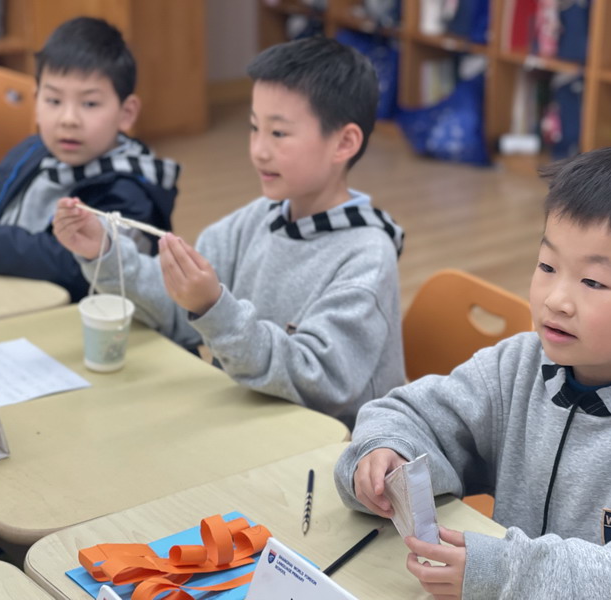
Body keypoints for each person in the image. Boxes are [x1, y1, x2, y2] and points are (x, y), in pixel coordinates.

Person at [334, 144, 611, 598]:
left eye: (593, 281)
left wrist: (508, 573)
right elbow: (409, 415)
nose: (556, 299)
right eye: (547, 266)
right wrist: (384, 452)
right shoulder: (518, 366)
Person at [52, 36, 405, 428]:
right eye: (254, 127)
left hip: (331, 448)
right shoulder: (255, 220)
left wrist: (213, 308)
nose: (258, 150)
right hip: (248, 423)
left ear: (344, 143)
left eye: (279, 133)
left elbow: (321, 381)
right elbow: (176, 310)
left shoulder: (367, 256)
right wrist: (104, 251)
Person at [0, 17, 178, 301]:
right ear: (36, 103)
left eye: (89, 103)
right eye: (54, 101)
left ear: (126, 113)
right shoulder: (35, 150)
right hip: (9, 288)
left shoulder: (129, 192)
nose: (68, 119)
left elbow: (66, 264)